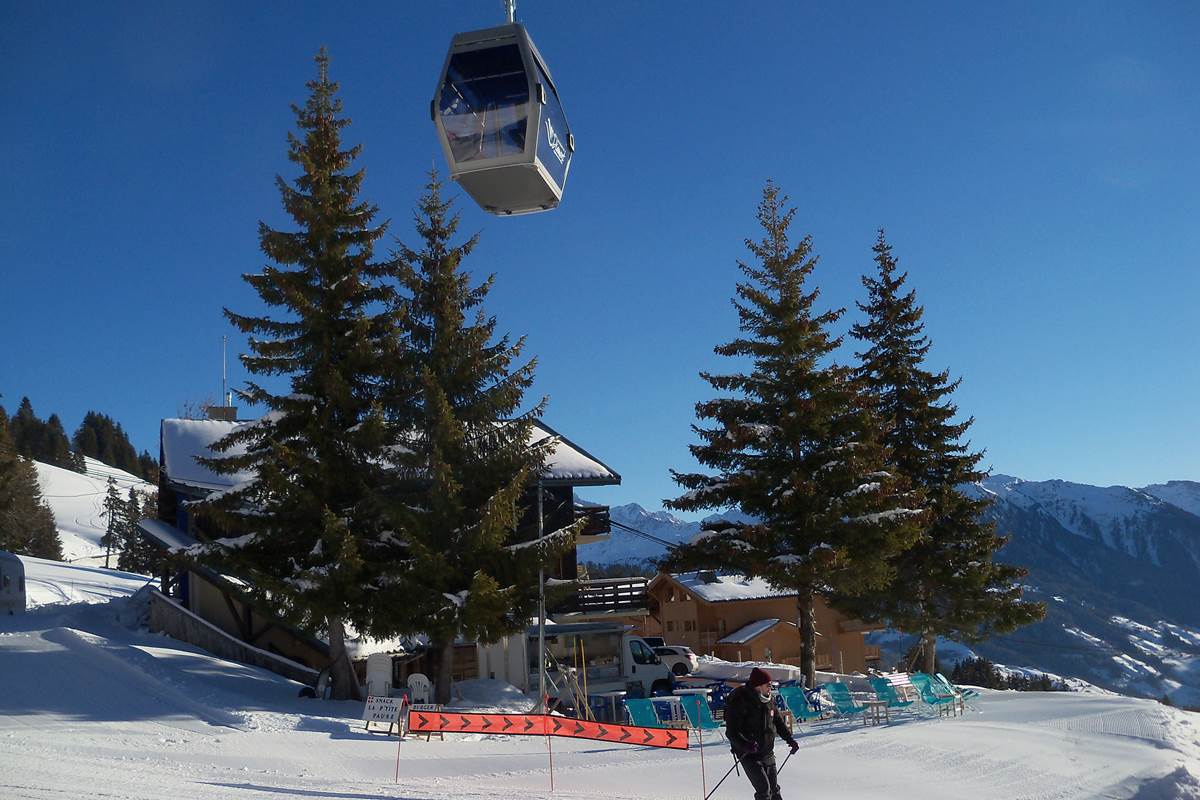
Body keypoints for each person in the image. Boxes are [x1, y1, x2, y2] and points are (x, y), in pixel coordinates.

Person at [723, 667, 799, 800]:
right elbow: (731, 732)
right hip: (749, 754)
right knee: (764, 790)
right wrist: (745, 744)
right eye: (768, 685)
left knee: (774, 789)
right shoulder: (740, 701)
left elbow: (778, 722)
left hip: (767, 751)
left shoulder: (769, 699)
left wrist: (790, 740)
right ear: (758, 686)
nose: (770, 687)